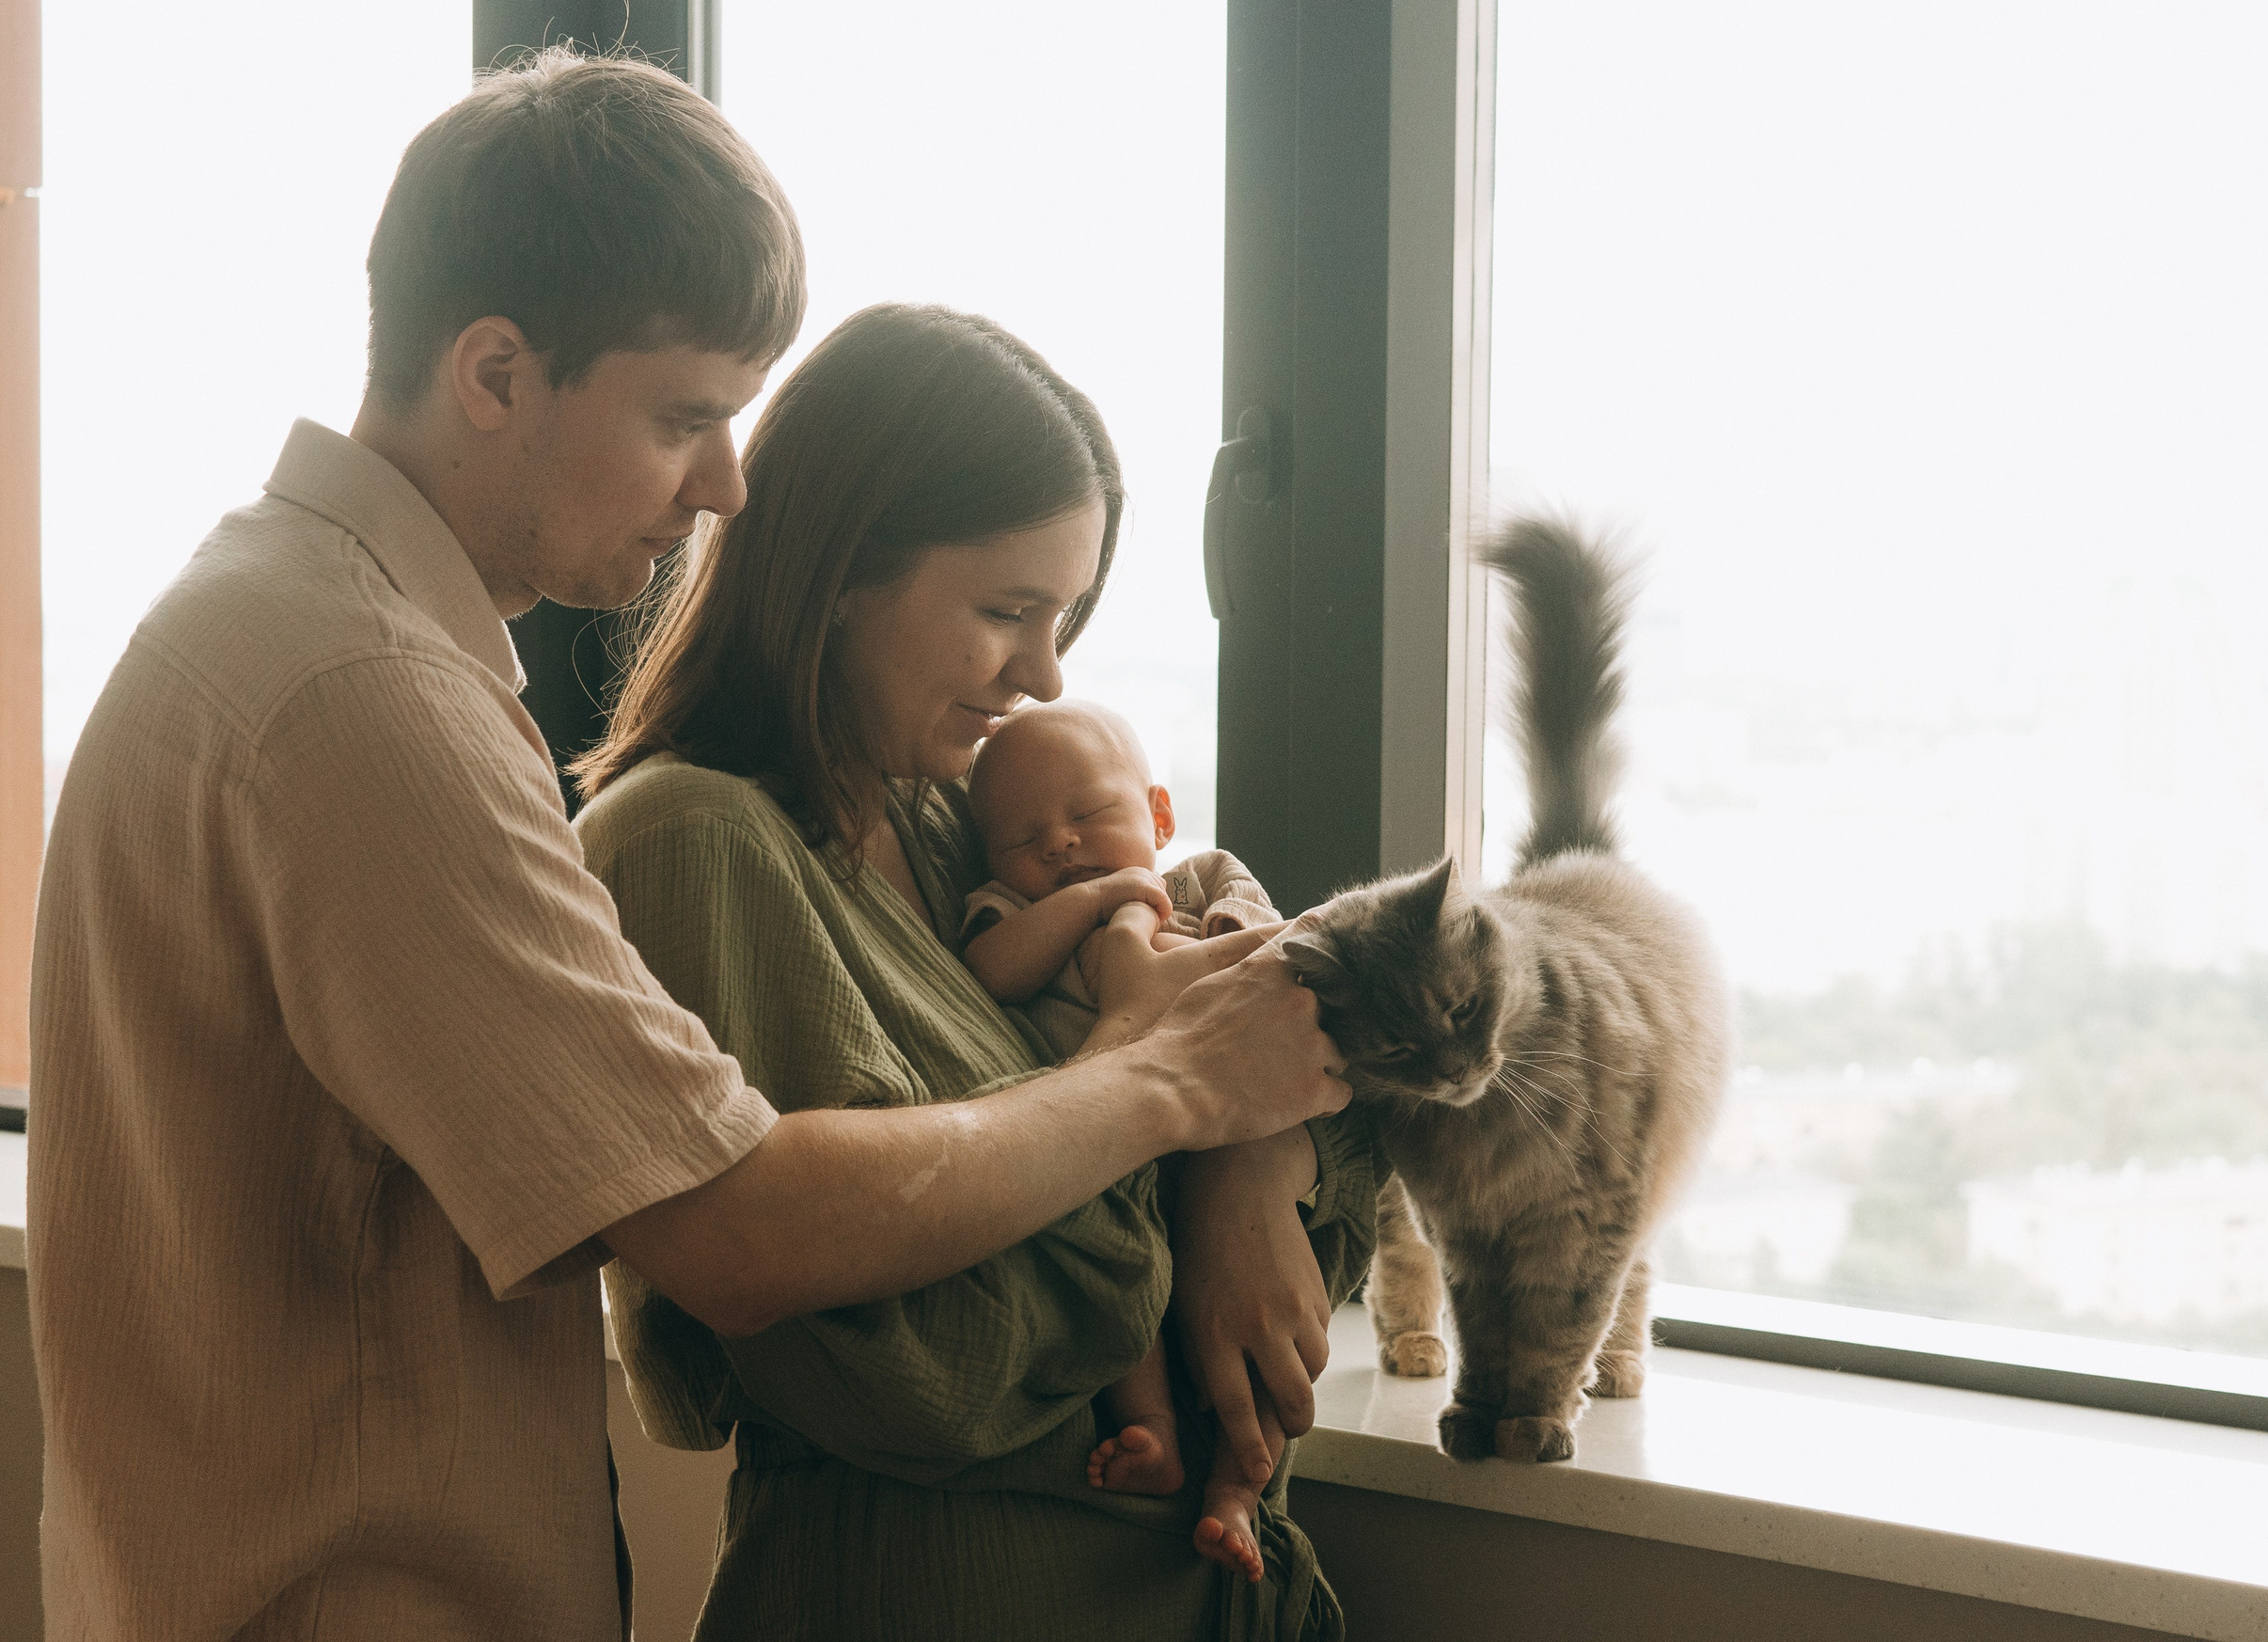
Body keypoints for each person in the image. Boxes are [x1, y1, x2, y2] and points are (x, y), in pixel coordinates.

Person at [26, 51, 1347, 1642]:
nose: (726, 481)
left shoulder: (288, 630)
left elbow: (1205, 912)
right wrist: (1170, 1085)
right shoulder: (359, 701)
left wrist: (1237, 1157)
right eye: (685, 416)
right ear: (497, 373)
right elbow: (734, 1222)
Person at [574, 302, 1385, 1640]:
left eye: (1064, 615)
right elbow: (932, 1371)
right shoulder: (694, 841)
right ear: (840, 573)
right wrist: (1178, 1110)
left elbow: (1307, 1004)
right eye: (1007, 610)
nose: (1044, 671)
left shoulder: (964, 818)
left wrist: (1250, 1171)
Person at [959, 700, 1292, 1579]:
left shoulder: (1202, 878)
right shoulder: (1012, 910)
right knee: (1125, 1300)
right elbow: (991, 972)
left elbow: (1274, 949)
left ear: (1160, 814)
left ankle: (1238, 1491)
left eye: (1088, 816)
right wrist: (1101, 899)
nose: (1061, 844)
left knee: (1252, 1336)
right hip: (1102, 1154)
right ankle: (1156, 1435)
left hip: (1211, 1151)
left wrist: (1220, 935)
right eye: (1025, 837)